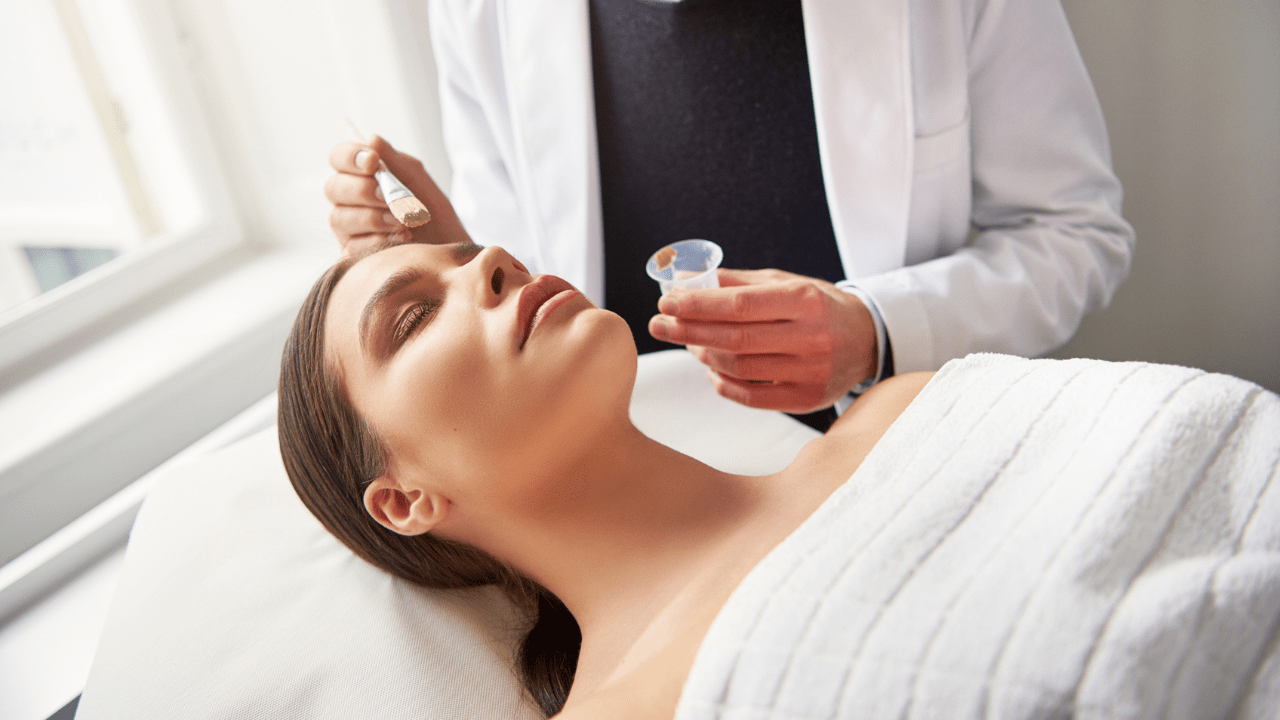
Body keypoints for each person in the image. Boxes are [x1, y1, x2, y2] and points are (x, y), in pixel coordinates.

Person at [324, 0, 1134, 429]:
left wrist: (879, 331)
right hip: (649, 476)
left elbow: (1075, 234)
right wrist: (442, 246)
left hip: (893, 446)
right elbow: (529, 279)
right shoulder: (484, 13)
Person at [277, 237, 933, 717]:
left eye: (471, 250)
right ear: (405, 500)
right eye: (415, 317)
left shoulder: (900, 416)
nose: (493, 260)